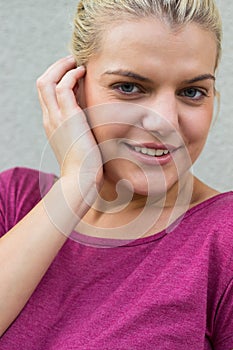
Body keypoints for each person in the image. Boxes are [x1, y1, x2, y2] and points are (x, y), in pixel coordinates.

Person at [0, 0, 232, 349]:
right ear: (74, 89)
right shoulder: (14, 200)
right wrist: (77, 182)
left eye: (191, 92)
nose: (165, 120)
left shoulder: (223, 236)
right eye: (129, 87)